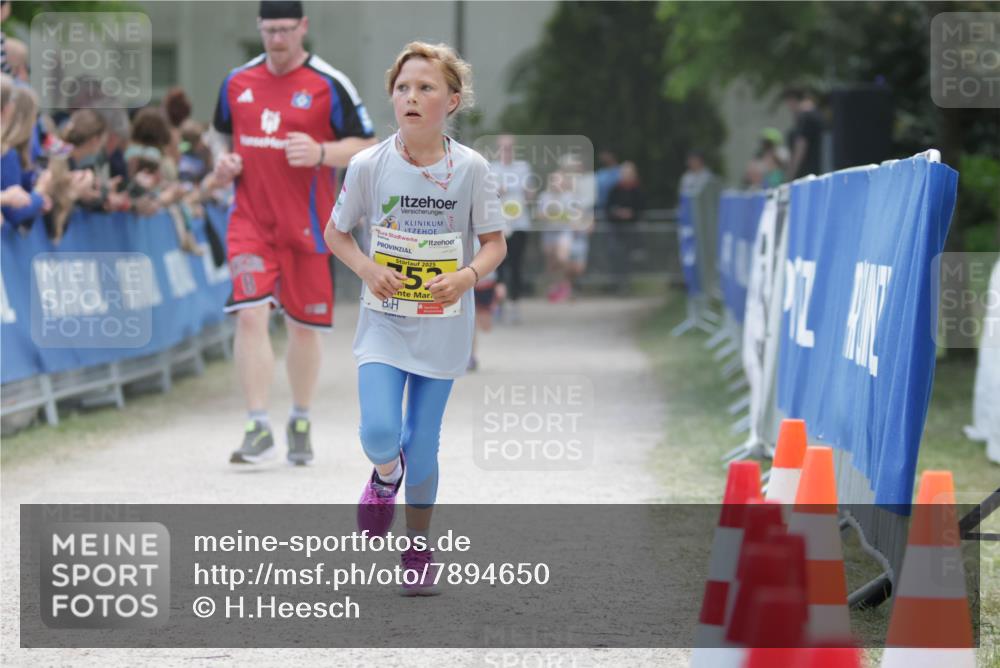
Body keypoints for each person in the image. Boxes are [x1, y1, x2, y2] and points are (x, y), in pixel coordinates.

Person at [324, 41, 506, 594]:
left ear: (452, 101)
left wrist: (466, 276)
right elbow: (335, 232)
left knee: (423, 442)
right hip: (384, 320)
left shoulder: (471, 169)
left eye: (426, 88)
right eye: (403, 88)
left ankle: (419, 548)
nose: (412, 97)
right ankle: (384, 477)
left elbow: (494, 244)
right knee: (381, 433)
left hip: (443, 322)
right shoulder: (367, 165)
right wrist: (365, 267)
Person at [208, 0, 376, 466]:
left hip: (310, 225)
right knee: (249, 313)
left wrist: (322, 152)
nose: (277, 40)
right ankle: (256, 424)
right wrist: (221, 161)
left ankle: (300, 417)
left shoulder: (329, 82)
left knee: (303, 327)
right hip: (250, 222)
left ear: (303, 27)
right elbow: (218, 133)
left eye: (285, 30)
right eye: (269, 31)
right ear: (259, 28)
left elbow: (369, 145)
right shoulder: (237, 81)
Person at [489, 134, 532, 323]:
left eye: (509, 147)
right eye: (503, 147)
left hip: (519, 222)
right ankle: (498, 304)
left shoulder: (523, 168)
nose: (506, 151)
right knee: (497, 264)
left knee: (516, 264)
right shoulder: (491, 168)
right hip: (498, 223)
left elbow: (530, 193)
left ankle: (515, 303)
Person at [782, 87, 824, 179]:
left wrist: (791, 173)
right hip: (815, 170)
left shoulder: (805, 116)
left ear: (792, 99)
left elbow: (801, 145)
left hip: (805, 174)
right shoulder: (815, 114)